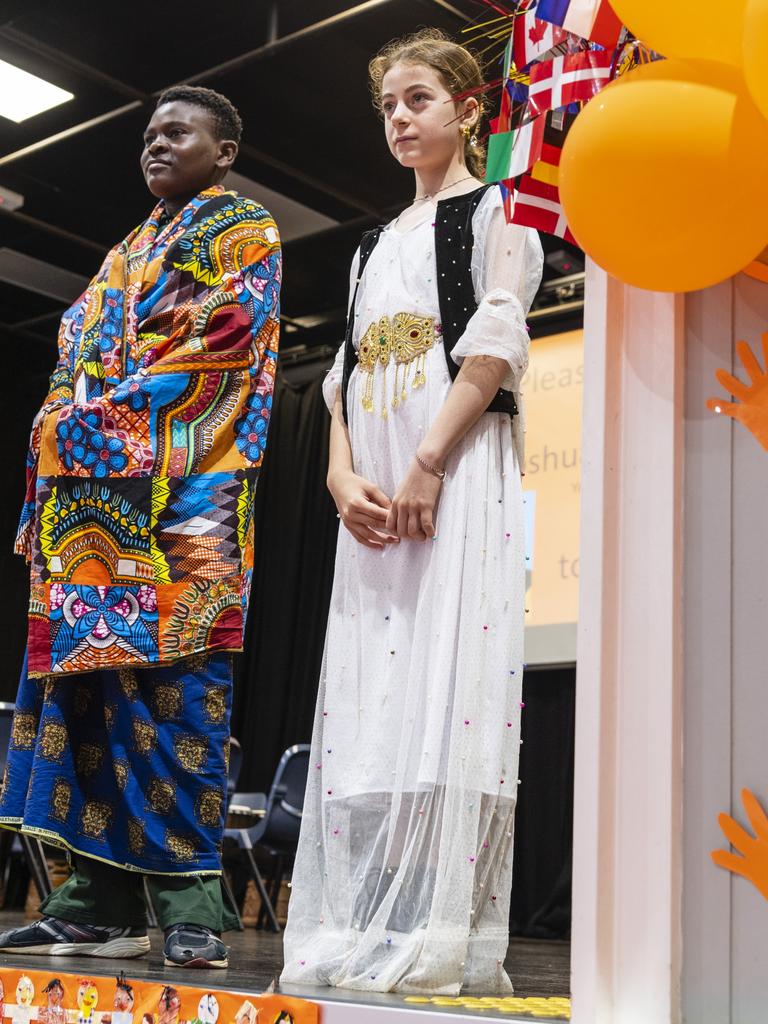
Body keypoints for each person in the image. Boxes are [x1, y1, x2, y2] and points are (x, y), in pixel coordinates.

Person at [281, 28, 543, 994]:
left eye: (420, 98)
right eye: (389, 104)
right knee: (372, 703)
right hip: (374, 498)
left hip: (455, 470)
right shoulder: (369, 245)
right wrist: (339, 479)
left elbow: (497, 343)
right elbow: (343, 378)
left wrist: (430, 460)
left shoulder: (497, 212)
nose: (400, 117)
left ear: (468, 108)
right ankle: (361, 919)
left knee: (449, 688)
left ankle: (441, 928)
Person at [0, 85, 281, 969]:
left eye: (178, 132)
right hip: (94, 524)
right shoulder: (125, 252)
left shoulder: (243, 232)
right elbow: (73, 355)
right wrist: (58, 424)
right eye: (149, 135)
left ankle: (193, 901)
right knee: (88, 703)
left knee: (177, 703)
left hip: (184, 517)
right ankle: (94, 902)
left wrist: (77, 427)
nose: (156, 146)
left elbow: (219, 350)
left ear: (224, 149)